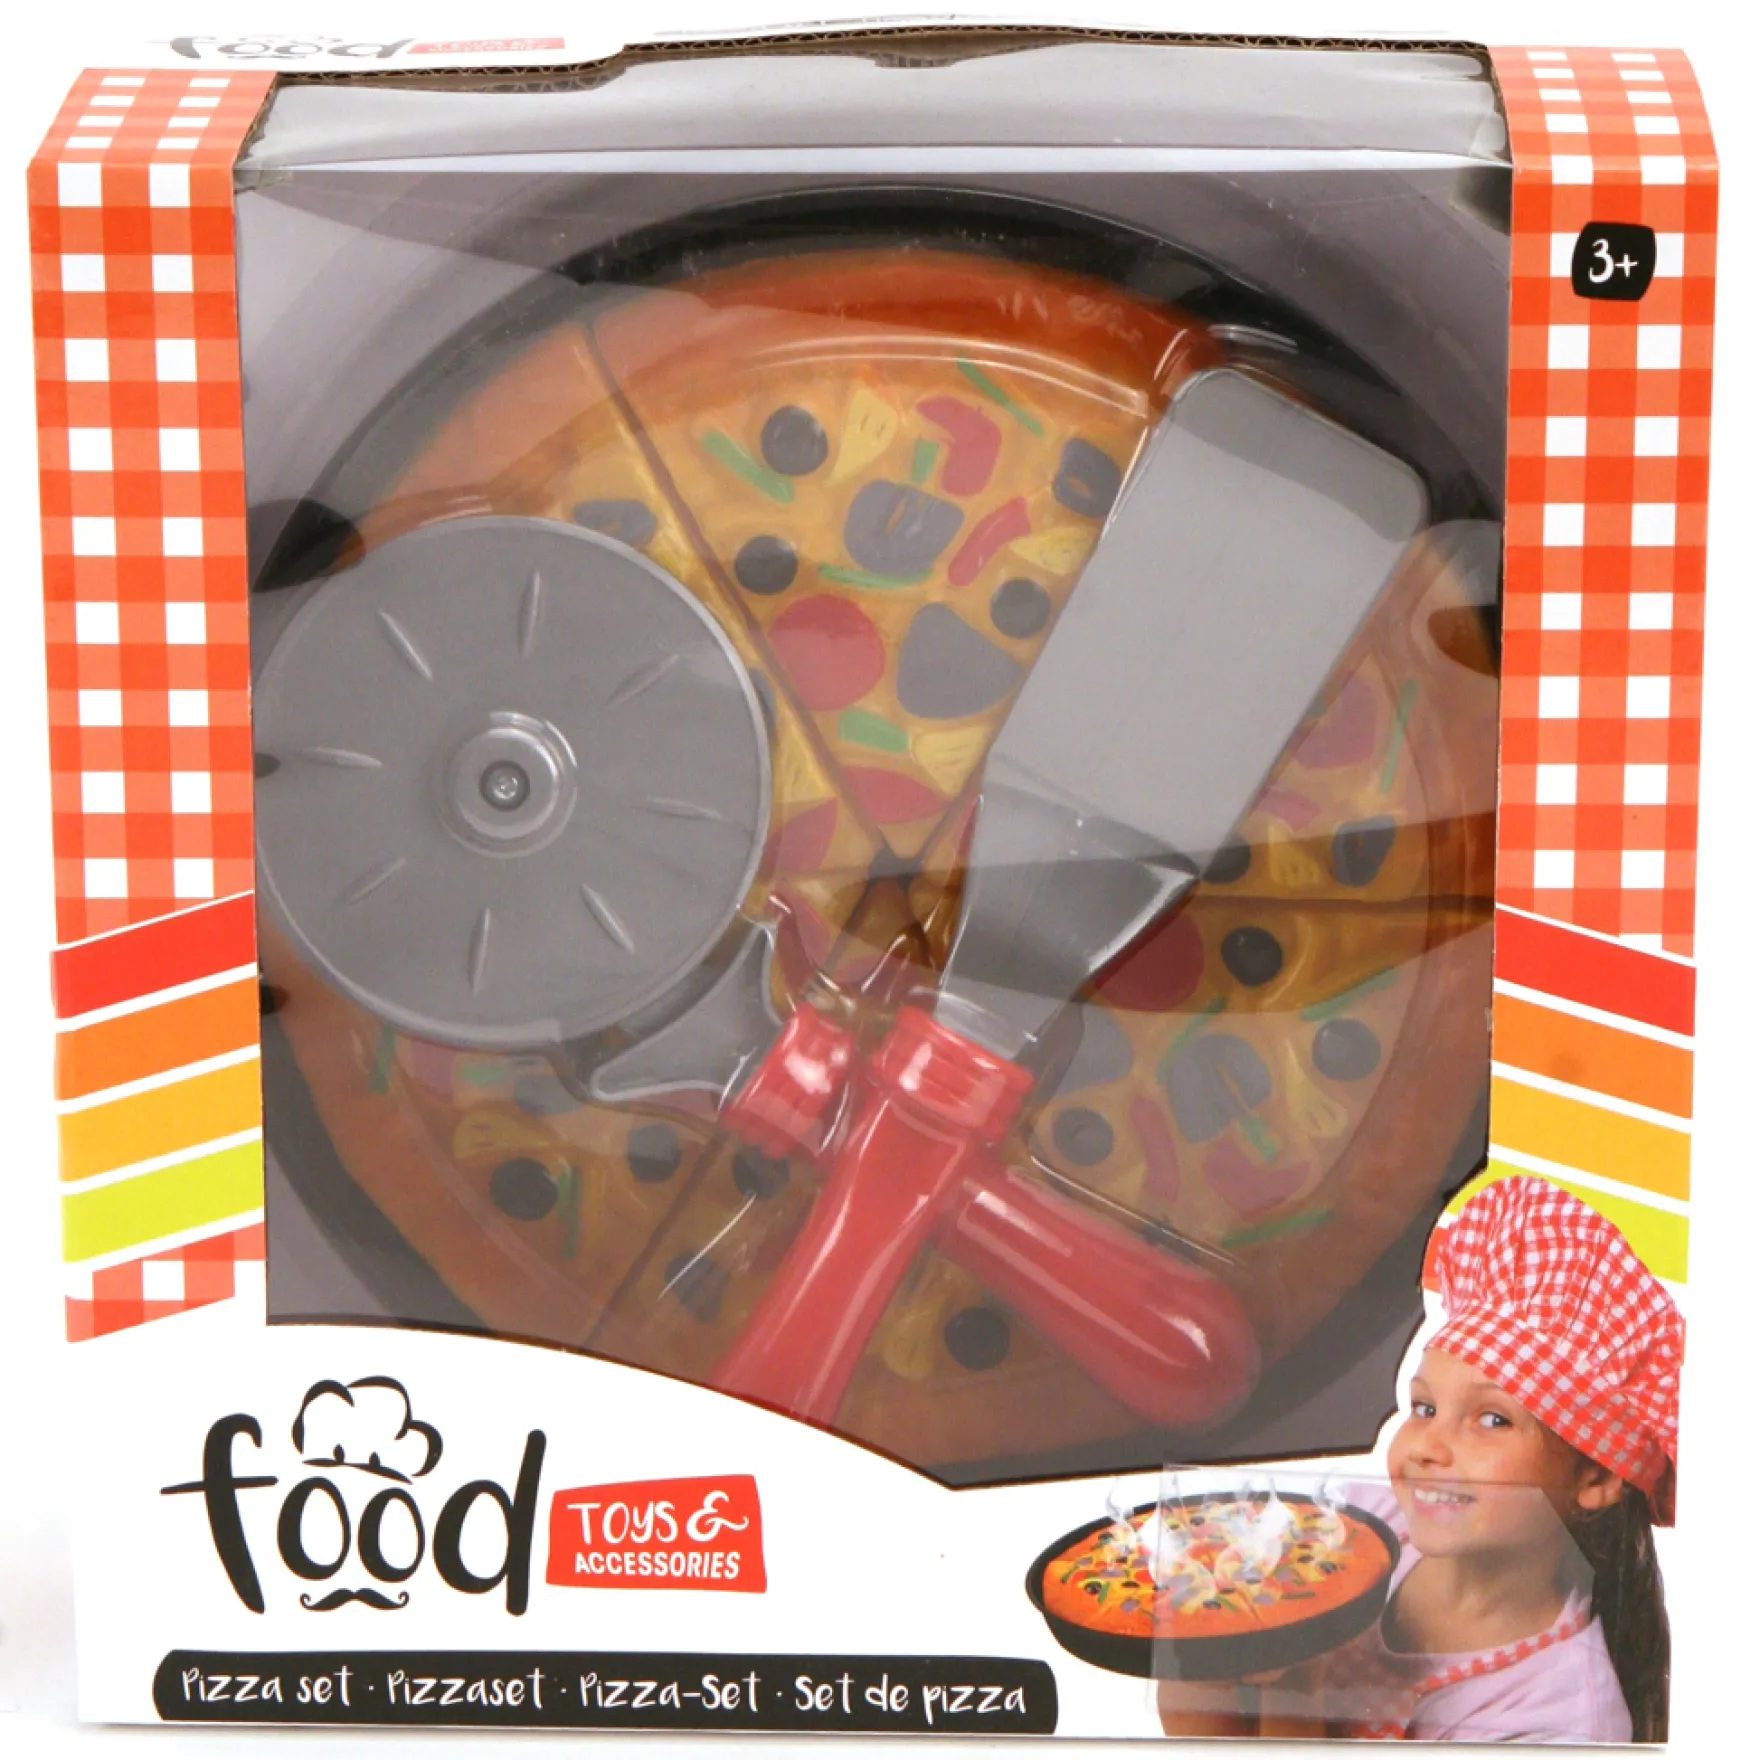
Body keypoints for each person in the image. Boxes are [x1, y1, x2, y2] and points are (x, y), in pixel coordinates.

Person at [1158, 1176, 1681, 1742]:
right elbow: (1194, 1723)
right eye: (1425, 1408)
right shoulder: (1350, 1527)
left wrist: (1299, 1687)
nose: (1427, 1446)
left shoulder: (1562, 1720)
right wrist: (1203, 1640)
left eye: (1492, 1420)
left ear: (1596, 1474)